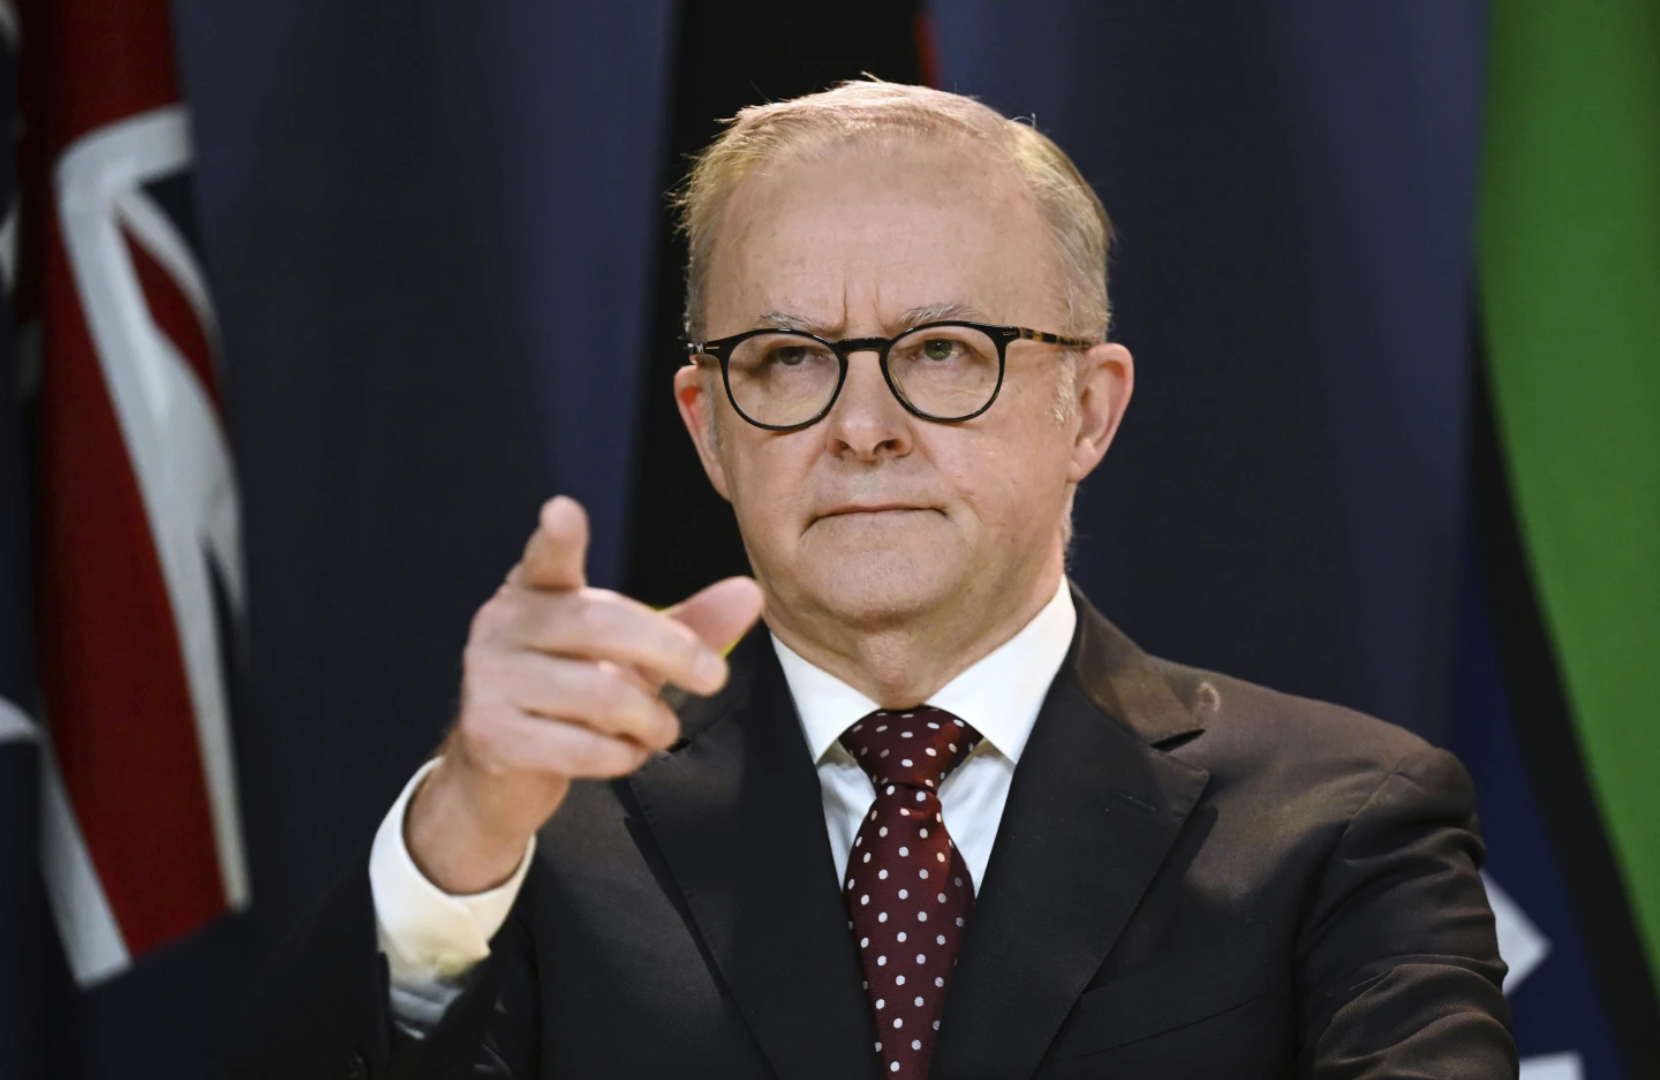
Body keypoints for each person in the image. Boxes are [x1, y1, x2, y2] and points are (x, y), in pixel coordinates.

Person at [234, 81, 1515, 1079]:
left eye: (943, 349)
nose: (861, 427)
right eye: (788, 358)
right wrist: (460, 833)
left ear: (1086, 407)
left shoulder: (1343, 821)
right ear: (708, 428)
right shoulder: (539, 828)